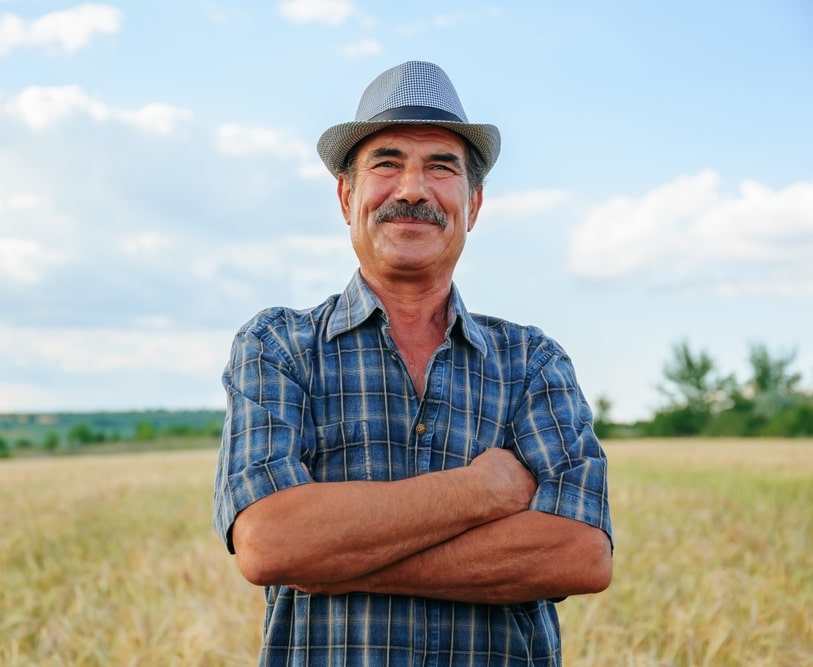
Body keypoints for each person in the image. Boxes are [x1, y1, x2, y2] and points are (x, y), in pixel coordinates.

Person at [214, 60, 613, 666]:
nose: (411, 189)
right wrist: (481, 492)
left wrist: (336, 561)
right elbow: (270, 542)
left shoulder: (532, 361)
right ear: (347, 195)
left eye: (441, 167)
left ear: (472, 204)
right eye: (387, 163)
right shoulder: (279, 346)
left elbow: (578, 553)